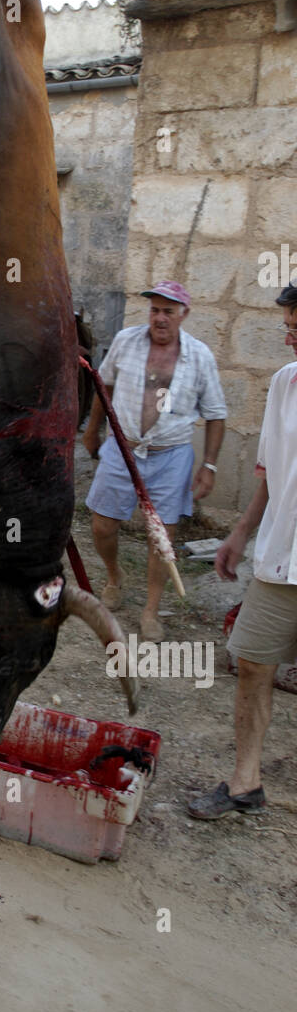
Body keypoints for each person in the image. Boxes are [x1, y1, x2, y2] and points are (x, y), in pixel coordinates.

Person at [188, 284, 297, 818]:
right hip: (281, 560)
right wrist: (239, 534)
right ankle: (245, 783)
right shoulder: (285, 383)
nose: (290, 335)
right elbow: (270, 475)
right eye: (289, 325)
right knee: (252, 663)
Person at [82, 280, 226, 640]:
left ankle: (150, 609)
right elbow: (105, 385)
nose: (160, 318)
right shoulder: (126, 341)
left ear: (183, 314)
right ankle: (115, 576)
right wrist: (92, 430)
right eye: (155, 310)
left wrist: (208, 465)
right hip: (122, 447)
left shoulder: (200, 356)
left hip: (171, 455)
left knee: (161, 538)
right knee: (102, 526)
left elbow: (216, 414)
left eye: (168, 311)